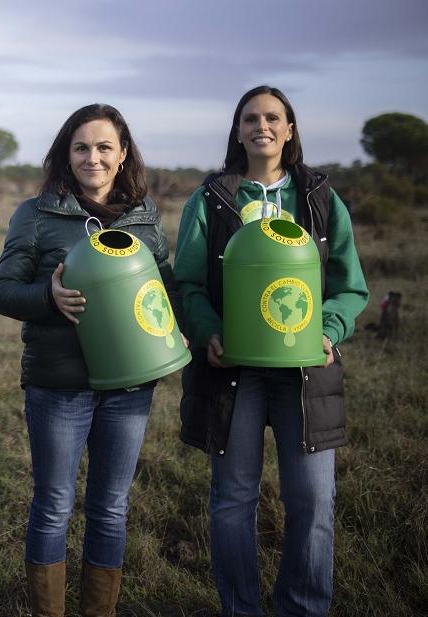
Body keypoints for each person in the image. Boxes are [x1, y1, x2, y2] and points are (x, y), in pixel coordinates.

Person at [174, 85, 369, 617]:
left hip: (305, 373)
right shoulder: (211, 199)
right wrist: (210, 330)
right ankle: (241, 609)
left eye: (273, 118)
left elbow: (350, 285)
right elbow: (186, 280)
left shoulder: (320, 198)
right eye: (250, 118)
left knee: (313, 501)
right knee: (234, 499)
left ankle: (302, 608)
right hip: (232, 371)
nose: (262, 125)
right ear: (238, 131)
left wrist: (327, 331)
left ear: (289, 130)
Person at [0, 104, 177, 616]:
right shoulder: (37, 212)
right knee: (54, 506)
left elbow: (166, 286)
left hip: (130, 388)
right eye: (81, 147)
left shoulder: (144, 213)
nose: (92, 157)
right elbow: (2, 292)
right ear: (65, 155)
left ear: (122, 156)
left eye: (103, 147)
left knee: (111, 509)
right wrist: (48, 299)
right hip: (59, 384)